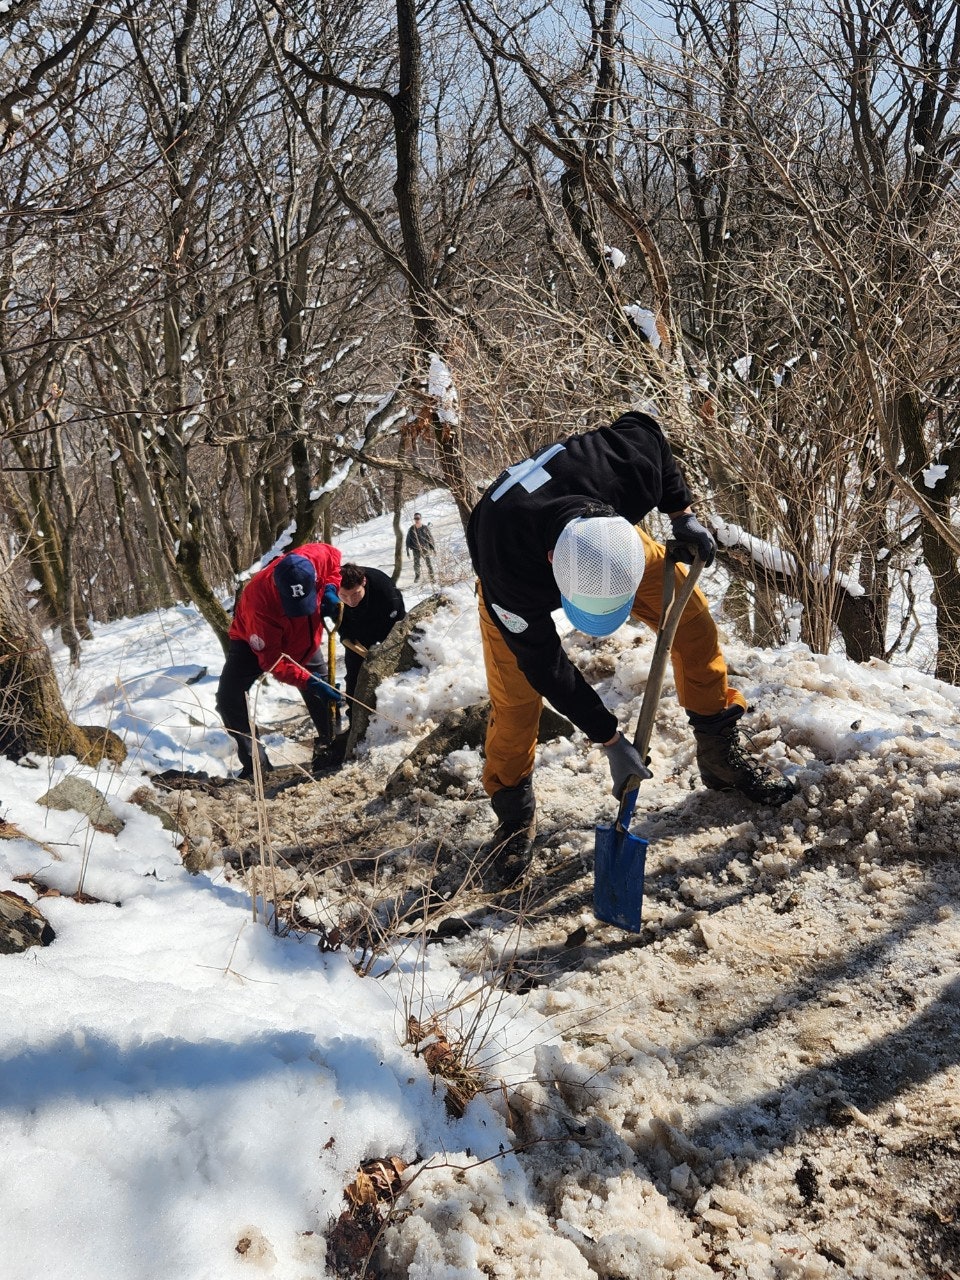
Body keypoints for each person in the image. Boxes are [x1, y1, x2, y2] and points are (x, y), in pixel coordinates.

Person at [466, 408, 795, 863]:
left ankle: (719, 753)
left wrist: (681, 513)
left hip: (597, 539)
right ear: (550, 562)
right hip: (515, 563)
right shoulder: (508, 576)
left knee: (691, 622)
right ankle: (512, 813)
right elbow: (548, 668)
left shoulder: (624, 468)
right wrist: (610, 740)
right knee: (518, 702)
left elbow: (648, 430)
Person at [216, 544, 344, 778]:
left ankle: (332, 749)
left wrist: (330, 588)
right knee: (228, 700)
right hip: (254, 643)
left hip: (305, 639)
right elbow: (273, 661)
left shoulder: (315, 557)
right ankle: (257, 766)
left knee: (325, 692)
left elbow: (335, 563)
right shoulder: (259, 604)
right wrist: (308, 681)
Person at [338, 563, 407, 701]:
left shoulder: (385, 590)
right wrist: (345, 635)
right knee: (354, 677)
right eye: (344, 596)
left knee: (393, 668)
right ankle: (354, 713)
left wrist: (383, 651)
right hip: (356, 629)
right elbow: (338, 620)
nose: (351, 601)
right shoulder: (332, 591)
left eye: (355, 594)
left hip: (386, 623)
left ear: (363, 582)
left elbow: (397, 626)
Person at [405, 512, 436, 583]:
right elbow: (407, 540)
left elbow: (430, 538)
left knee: (429, 563)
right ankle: (417, 576)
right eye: (415, 518)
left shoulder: (425, 528)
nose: (416, 520)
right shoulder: (411, 529)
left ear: (420, 519)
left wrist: (433, 548)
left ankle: (432, 577)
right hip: (416, 549)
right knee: (416, 564)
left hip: (425, 548)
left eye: (418, 518)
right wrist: (407, 550)